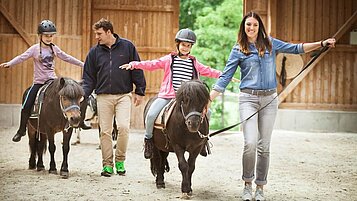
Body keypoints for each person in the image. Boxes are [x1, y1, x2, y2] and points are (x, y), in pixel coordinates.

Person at [209, 11, 336, 201]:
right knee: (250, 143)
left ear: (259, 27)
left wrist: (321, 43)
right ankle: (247, 184)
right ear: (243, 28)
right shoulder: (238, 49)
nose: (251, 28)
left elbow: (296, 48)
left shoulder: (270, 43)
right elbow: (225, 78)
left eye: (254, 25)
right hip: (248, 100)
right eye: (248, 25)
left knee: (264, 146)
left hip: (269, 100)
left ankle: (260, 187)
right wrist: (208, 100)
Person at [120, 28, 223, 159]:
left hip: (188, 100)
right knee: (151, 115)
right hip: (169, 96)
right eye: (183, 45)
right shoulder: (169, 59)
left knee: (208, 112)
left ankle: (203, 141)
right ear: (178, 45)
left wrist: (224, 75)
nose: (185, 48)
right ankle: (148, 141)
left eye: (188, 45)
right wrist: (134, 65)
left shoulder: (194, 62)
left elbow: (209, 71)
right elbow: (152, 64)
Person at [0, 20, 85, 142]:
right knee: (26, 105)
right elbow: (22, 57)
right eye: (46, 36)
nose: (49, 38)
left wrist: (82, 64)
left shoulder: (54, 49)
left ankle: (70, 124)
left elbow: (67, 57)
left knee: (65, 100)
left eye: (51, 36)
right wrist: (10, 63)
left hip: (52, 81)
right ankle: (21, 130)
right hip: (39, 83)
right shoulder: (34, 49)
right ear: (40, 36)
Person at [82, 18, 146, 177]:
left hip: (124, 95)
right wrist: (83, 95)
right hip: (103, 97)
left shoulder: (128, 46)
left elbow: (136, 68)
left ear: (109, 32)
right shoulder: (94, 52)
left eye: (99, 33)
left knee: (124, 127)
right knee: (105, 131)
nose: (97, 37)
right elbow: (88, 77)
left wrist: (140, 90)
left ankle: (120, 160)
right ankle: (107, 165)